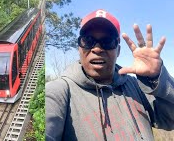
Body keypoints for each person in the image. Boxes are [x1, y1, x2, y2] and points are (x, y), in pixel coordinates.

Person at [45, 9, 174, 141]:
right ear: (80, 48)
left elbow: (170, 120)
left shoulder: (135, 86)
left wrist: (156, 77)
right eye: (88, 41)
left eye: (107, 41)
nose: (97, 49)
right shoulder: (59, 92)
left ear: (118, 50)